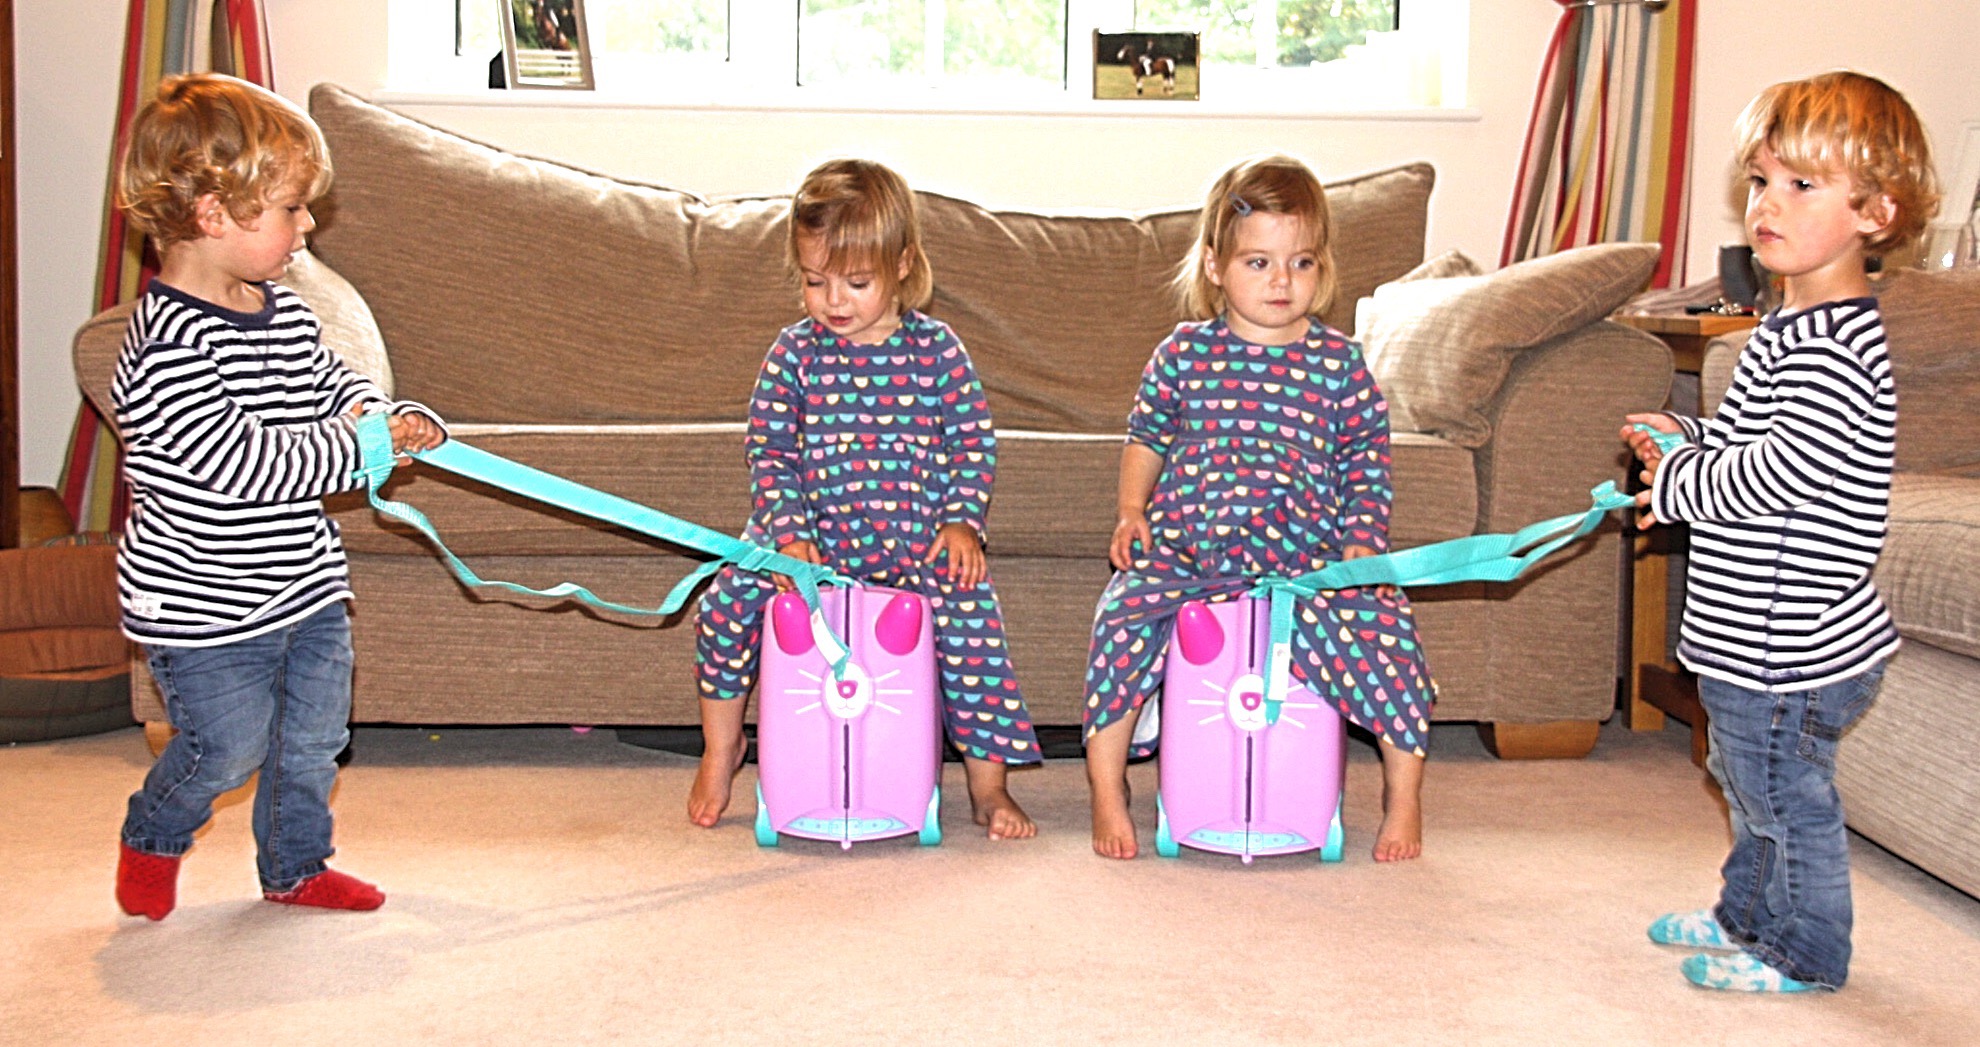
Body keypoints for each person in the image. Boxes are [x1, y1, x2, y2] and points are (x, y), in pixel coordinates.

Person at [1624, 71, 1939, 993]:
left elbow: (1775, 477)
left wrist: (1682, 478)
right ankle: (1746, 916)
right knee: (1745, 779)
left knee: (1785, 799)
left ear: (1876, 211)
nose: (1768, 203)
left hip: (1791, 647)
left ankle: (1806, 950)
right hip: (1749, 637)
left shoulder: (1838, 346)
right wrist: (1692, 437)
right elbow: (1758, 440)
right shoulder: (1785, 325)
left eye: (1802, 184)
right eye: (1762, 180)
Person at [111, 74, 447, 920]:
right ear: (212, 213)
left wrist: (381, 417)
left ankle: (296, 865)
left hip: (304, 589)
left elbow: (332, 388)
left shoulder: (283, 314)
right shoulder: (163, 347)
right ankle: (153, 832)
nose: (307, 227)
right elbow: (243, 466)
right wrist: (357, 448)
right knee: (227, 750)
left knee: (310, 745)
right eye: (292, 209)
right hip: (203, 609)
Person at [1083, 154, 1435, 862]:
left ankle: (1404, 799)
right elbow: (1147, 436)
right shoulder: (1184, 353)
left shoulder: (1340, 365)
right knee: (1118, 620)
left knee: (1392, 633)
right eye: (1260, 262)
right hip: (1192, 555)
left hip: (1305, 563)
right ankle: (1107, 790)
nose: (1282, 280)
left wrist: (1363, 544)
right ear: (1215, 265)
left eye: (1301, 262)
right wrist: (1131, 510)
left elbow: (1366, 461)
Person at [688, 158, 1041, 840]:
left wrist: (961, 520)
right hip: (810, 541)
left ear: (902, 264)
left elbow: (973, 443)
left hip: (915, 541)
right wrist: (789, 535)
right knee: (727, 598)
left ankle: (987, 783)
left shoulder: (938, 351)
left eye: (856, 281)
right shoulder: (793, 355)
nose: (834, 300)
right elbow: (769, 449)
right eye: (815, 281)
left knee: (972, 614)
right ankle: (721, 746)